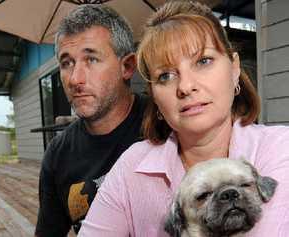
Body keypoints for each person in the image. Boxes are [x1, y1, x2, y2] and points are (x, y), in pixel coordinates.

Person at [78, 1, 289, 236]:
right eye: (165, 75)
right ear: (155, 98)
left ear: (234, 68)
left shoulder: (281, 148)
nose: (186, 86)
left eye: (203, 61)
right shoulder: (132, 167)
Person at [34, 4, 147, 237]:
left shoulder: (165, 124)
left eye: (92, 59)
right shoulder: (57, 155)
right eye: (66, 63)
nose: (75, 79)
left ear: (127, 66)